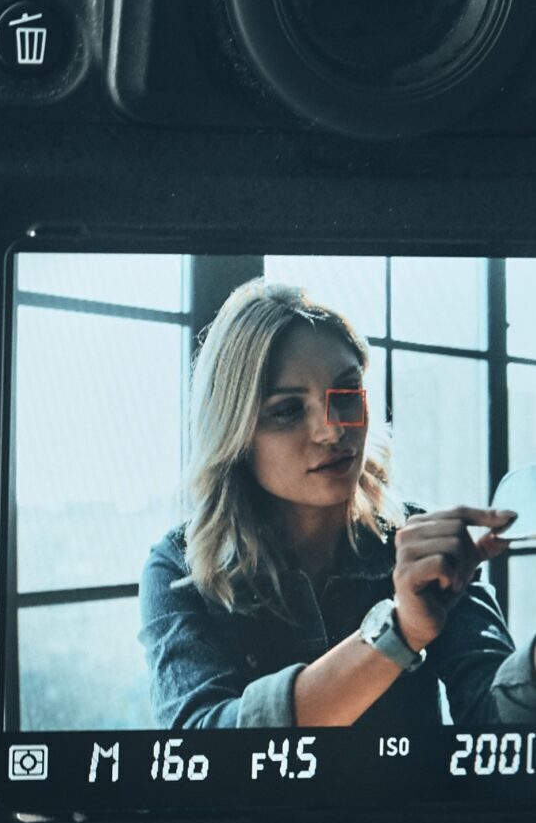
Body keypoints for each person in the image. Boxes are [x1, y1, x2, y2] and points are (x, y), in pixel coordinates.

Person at [139, 278, 529, 733]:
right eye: (286, 410)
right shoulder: (179, 567)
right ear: (236, 435)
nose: (332, 430)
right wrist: (399, 633)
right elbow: (205, 748)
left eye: (346, 394)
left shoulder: (421, 544)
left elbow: (500, 734)